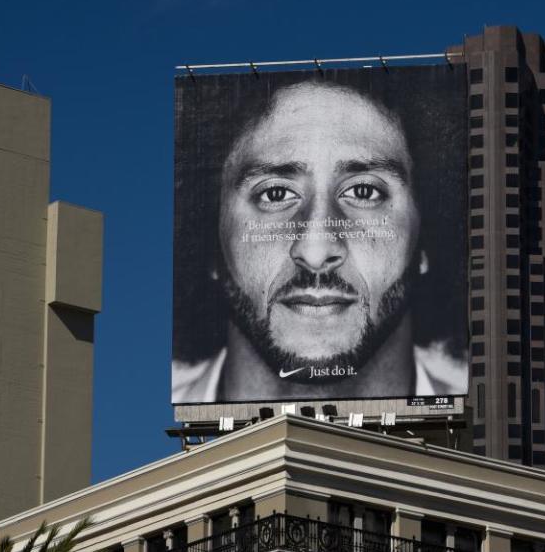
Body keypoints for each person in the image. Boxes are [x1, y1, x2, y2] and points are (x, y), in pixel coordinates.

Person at [173, 77, 466, 403]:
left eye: (364, 192)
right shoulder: (144, 441)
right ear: (211, 234)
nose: (315, 252)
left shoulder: (483, 442)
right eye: (275, 193)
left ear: (426, 231)